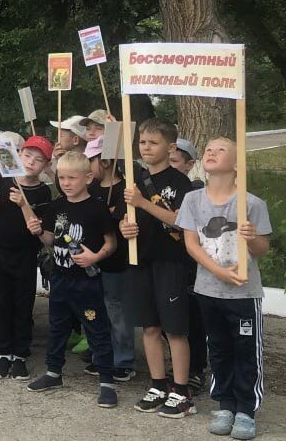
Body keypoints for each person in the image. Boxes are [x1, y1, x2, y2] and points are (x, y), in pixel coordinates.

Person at [177, 137, 272, 441]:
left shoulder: (251, 204)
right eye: (208, 149)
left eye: (221, 150)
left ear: (236, 164)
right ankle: (225, 405)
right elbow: (191, 243)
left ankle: (246, 409)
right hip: (208, 290)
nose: (211, 152)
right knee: (218, 348)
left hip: (243, 294)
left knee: (246, 350)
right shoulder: (193, 200)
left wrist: (252, 237)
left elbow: (262, 249)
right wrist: (218, 271)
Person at [24, 152, 119, 409]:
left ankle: (107, 381)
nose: (66, 183)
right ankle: (53, 372)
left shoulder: (97, 208)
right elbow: (49, 240)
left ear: (87, 178)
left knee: (97, 330)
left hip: (87, 282)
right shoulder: (56, 207)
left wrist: (95, 257)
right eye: (62, 178)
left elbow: (111, 243)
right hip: (60, 279)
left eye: (72, 178)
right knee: (57, 328)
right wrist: (37, 231)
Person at [120, 118, 200, 418]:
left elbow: (181, 220)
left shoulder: (180, 183)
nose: (146, 147)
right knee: (150, 327)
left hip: (171, 262)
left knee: (174, 329)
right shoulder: (135, 180)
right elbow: (126, 217)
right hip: (141, 260)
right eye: (142, 142)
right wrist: (124, 227)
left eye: (153, 143)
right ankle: (157, 384)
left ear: (170, 147)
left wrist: (143, 203)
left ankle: (181, 390)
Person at [0, 134, 54, 379]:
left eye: (39, 159)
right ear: (18, 154)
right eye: (27, 155)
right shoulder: (1, 180)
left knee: (23, 306)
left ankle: (20, 354)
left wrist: (24, 204)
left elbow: (38, 227)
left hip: (25, 255)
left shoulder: (43, 192)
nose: (31, 162)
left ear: (46, 165)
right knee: (0, 304)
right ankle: (4, 352)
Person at [86, 135, 135, 382]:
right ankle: (102, 355)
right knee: (97, 310)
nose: (87, 167)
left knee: (117, 310)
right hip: (92, 261)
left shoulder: (126, 189)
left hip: (117, 261)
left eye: (90, 161)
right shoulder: (91, 189)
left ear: (104, 161)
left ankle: (123, 359)